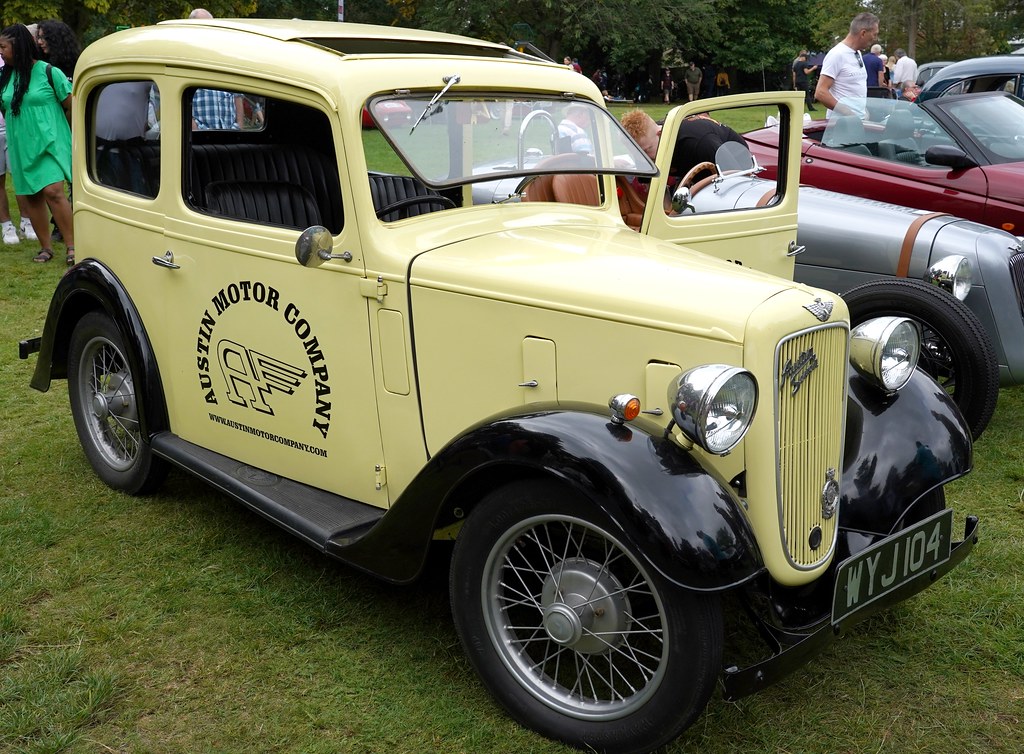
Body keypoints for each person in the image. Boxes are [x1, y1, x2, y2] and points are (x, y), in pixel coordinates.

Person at [0, 24, 74, 264]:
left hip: (50, 143)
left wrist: (68, 137)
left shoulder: (49, 72)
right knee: (32, 196)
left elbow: (71, 106)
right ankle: (46, 247)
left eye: (3, 46)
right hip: (22, 145)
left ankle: (73, 245)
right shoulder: (6, 78)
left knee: (53, 191)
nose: (0, 52)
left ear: (18, 46)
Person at [621, 108, 746, 187]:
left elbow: (736, 180)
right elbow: (653, 188)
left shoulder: (699, 143)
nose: (643, 159)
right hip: (686, 166)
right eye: (636, 154)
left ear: (660, 134)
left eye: (646, 150)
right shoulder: (642, 146)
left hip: (732, 159)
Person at [814, 12, 879, 117]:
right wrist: (849, 114)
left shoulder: (857, 53)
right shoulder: (837, 54)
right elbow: (820, 92)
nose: (875, 38)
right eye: (874, 34)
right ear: (863, 33)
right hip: (841, 126)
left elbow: (854, 89)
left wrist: (864, 111)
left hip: (857, 124)